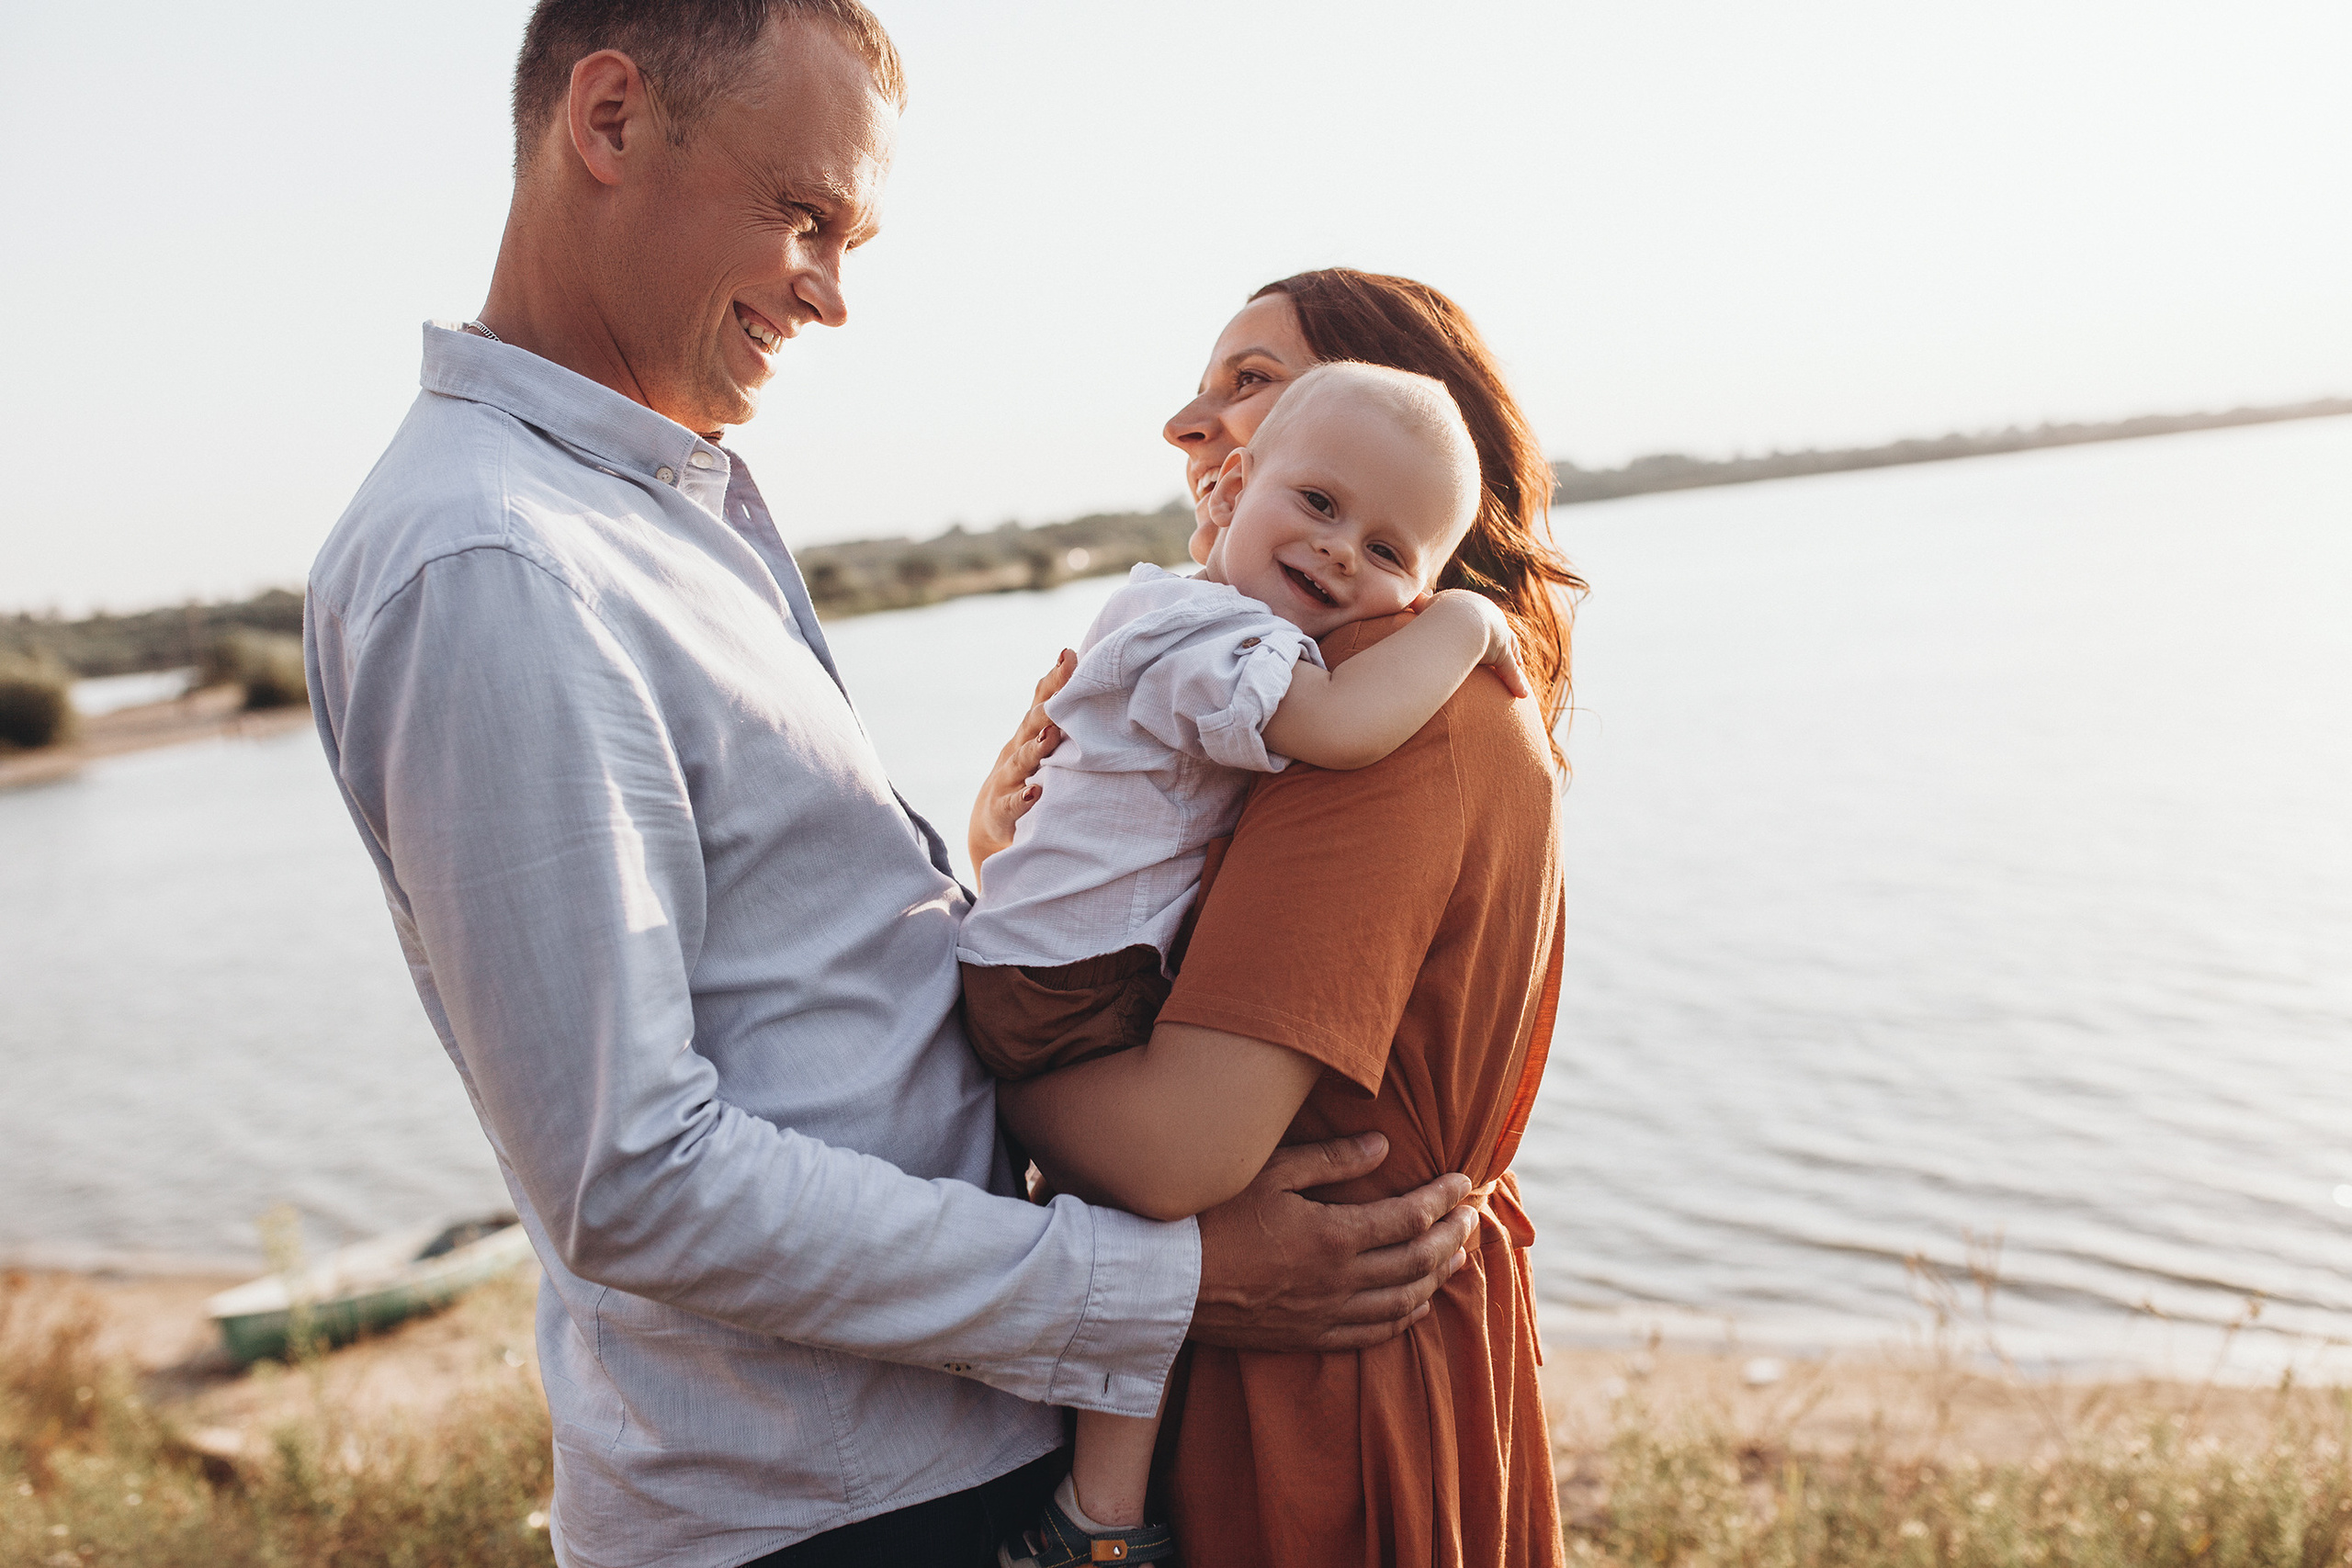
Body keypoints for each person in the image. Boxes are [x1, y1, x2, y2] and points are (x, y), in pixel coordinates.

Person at [300, 6, 1480, 1563]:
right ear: (607, 122)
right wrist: (1166, 1281)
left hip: (933, 1457)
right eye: (804, 217)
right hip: (829, 1515)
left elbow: (806, 996)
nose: (833, 295)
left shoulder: (649, 508)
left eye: (850, 238)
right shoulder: (495, 561)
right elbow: (636, 1180)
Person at [972, 268, 1586, 1566]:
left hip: (1318, 1404)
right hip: (1294, 1354)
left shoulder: (1381, 724)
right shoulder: (1253, 682)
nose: (1190, 425)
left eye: (1250, 384)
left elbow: (1168, 1148)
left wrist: (984, 1065)